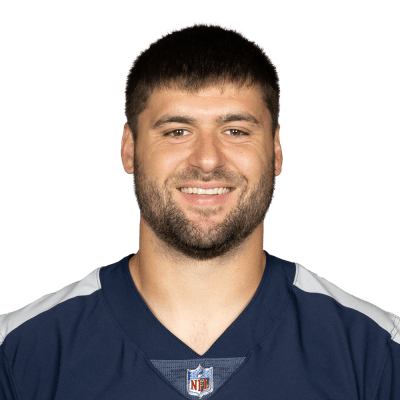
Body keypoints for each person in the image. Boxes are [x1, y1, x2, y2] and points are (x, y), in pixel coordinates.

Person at [0, 23, 399, 400]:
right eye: (177, 131)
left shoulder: (377, 351)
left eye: (236, 131)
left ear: (276, 149)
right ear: (129, 148)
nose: (207, 159)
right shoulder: (19, 351)